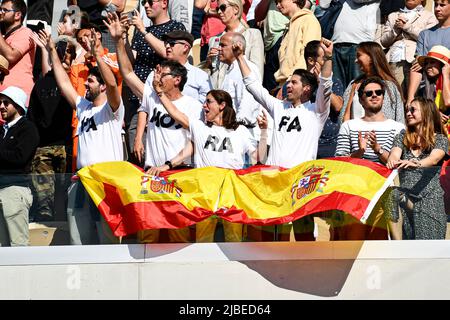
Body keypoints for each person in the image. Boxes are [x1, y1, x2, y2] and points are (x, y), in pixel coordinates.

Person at [234, 38, 333, 241]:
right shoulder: (279, 107)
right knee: (274, 235)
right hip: (275, 180)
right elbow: (254, 87)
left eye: (293, 82)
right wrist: (239, 57)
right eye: (288, 82)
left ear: (306, 89)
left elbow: (325, 86)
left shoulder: (316, 111)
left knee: (303, 233)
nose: (288, 85)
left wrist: (329, 58)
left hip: (301, 182)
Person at [46, 30, 125, 245]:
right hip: (81, 181)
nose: (85, 84)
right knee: (77, 239)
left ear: (100, 86)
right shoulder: (83, 107)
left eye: (90, 81)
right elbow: (64, 84)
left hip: (106, 182)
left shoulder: (113, 109)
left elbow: (111, 84)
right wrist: (52, 51)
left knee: (107, 238)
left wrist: (97, 56)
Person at [152, 86, 258, 242]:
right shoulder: (200, 127)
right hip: (204, 192)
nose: (204, 105)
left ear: (222, 105)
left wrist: (263, 133)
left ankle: (234, 267)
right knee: (203, 240)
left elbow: (257, 158)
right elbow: (175, 114)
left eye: (209, 102)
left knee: (234, 238)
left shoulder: (240, 130)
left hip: (231, 192)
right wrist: (160, 93)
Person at [335, 76, 405, 240]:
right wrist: (360, 152)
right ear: (361, 99)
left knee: (378, 243)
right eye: (369, 93)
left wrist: (377, 150)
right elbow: (340, 161)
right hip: (355, 192)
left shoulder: (398, 128)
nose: (375, 95)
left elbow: (394, 162)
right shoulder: (349, 126)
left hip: (383, 191)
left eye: (378, 92)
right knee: (353, 240)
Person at [387, 97, 448, 239]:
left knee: (428, 252)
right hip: (407, 201)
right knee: (391, 195)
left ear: (426, 112)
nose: (408, 113)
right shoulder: (402, 136)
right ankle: (397, 246)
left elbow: (434, 159)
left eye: (412, 110)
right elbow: (395, 154)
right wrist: (392, 160)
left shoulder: (440, 139)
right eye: (407, 110)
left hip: (429, 202)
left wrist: (417, 163)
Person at [0, 86, 39, 246]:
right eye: (1, 102)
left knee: (18, 246)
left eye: (6, 102)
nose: (1, 106)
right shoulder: (2, 130)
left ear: (17, 105)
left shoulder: (28, 128)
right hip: (3, 188)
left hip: (15, 191)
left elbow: (19, 158)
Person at [340, 42, 405, 125]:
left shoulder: (389, 86)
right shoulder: (354, 84)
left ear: (371, 57)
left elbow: (399, 119)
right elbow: (343, 116)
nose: (356, 60)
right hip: (356, 136)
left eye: (359, 55)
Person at [380, 0, 438, 95]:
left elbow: (429, 39)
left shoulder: (429, 16)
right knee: (395, 96)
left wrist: (407, 27)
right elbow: (384, 42)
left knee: (414, 97)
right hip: (393, 60)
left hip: (415, 61)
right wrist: (395, 30)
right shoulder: (393, 15)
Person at [209, 32, 262, 131]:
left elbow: (247, 103)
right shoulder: (232, 69)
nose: (219, 49)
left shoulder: (246, 68)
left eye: (223, 45)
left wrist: (237, 128)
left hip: (243, 131)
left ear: (237, 46)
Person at [407, 0, 450, 105]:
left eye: (442, 5)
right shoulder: (425, 34)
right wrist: (410, 97)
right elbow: (417, 67)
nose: (437, 9)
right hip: (428, 92)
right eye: (436, 5)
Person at [207, 0, 264, 77]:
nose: (219, 12)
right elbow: (209, 75)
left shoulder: (253, 35)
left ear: (236, 9)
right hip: (218, 88)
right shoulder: (214, 40)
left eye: (223, 8)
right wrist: (209, 63)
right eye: (217, 9)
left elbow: (258, 72)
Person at [273, 0, 321, 86]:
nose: (277, 5)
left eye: (280, 1)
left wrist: (292, 81)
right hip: (285, 83)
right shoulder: (289, 26)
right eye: (276, 2)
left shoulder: (309, 20)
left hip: (298, 84)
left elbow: (309, 57)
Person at [0, 0, 36, 106]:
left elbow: (11, 56)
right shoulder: (3, 38)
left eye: (4, 10)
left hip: (18, 100)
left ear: (18, 15)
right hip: (4, 98)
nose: (1, 13)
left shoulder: (26, 33)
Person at [416, 45, 450, 118]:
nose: (428, 66)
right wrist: (435, 115)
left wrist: (446, 75)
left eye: (432, 62)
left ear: (443, 65)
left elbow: (448, 102)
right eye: (426, 63)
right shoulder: (423, 90)